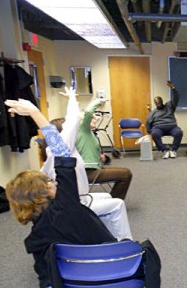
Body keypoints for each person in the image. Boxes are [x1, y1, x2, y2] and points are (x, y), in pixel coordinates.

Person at [4, 99, 141, 288]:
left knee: (89, 260)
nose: (53, 181)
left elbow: (47, 285)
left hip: (79, 283)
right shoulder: (66, 203)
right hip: (120, 270)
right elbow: (61, 151)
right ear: (46, 190)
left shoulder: (35, 240)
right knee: (124, 249)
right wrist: (35, 113)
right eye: (49, 181)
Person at [40, 87, 132, 240]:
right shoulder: (63, 150)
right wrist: (72, 99)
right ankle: (125, 243)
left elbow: (71, 122)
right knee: (117, 204)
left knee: (108, 199)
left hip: (73, 199)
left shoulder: (52, 154)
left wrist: (71, 99)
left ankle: (103, 235)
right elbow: (73, 119)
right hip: (75, 204)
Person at [76, 99, 132, 200]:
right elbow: (88, 112)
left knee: (125, 173)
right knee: (126, 174)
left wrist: (102, 159)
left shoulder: (88, 134)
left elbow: (88, 153)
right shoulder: (83, 130)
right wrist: (99, 101)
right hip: (88, 173)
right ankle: (115, 201)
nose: (95, 119)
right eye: (92, 118)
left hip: (94, 168)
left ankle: (114, 201)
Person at [146, 80, 183, 159]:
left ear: (162, 101)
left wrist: (173, 88)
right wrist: (150, 131)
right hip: (158, 128)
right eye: (156, 102)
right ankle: (165, 150)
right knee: (155, 134)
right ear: (154, 103)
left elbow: (176, 98)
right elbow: (148, 121)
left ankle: (173, 150)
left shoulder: (169, 106)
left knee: (179, 132)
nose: (158, 103)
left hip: (172, 126)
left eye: (159, 101)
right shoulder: (153, 112)